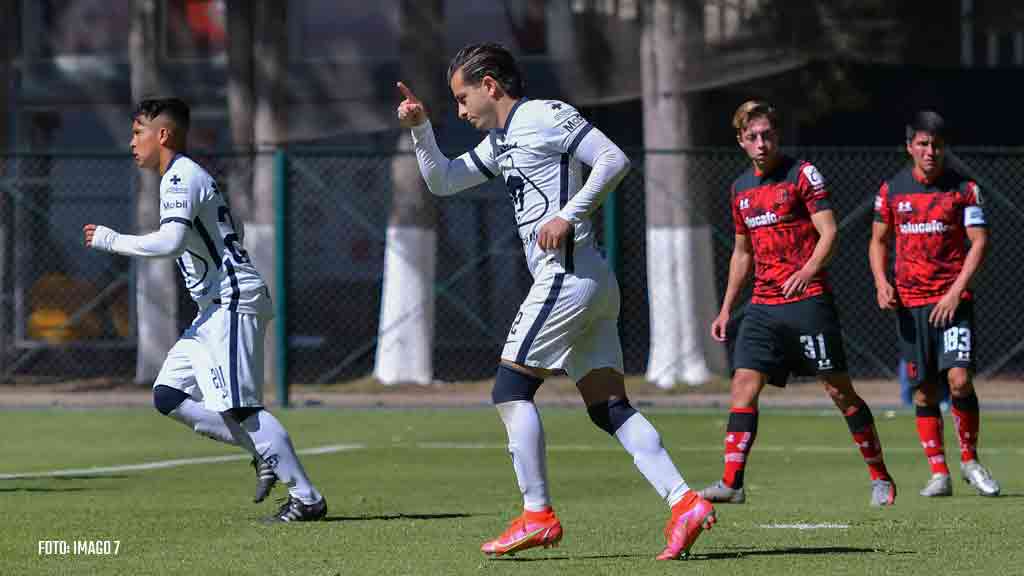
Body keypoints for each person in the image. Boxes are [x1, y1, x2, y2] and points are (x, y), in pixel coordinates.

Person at [396, 43, 715, 560]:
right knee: (608, 407)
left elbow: (613, 159)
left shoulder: (544, 115)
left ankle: (537, 514)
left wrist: (571, 212)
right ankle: (685, 504)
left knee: (509, 390)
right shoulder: (501, 141)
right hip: (585, 279)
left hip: (566, 274)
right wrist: (420, 128)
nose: (460, 109)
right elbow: (443, 180)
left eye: (462, 97)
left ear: (491, 85)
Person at [84, 98, 328, 521]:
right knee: (168, 395)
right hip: (212, 310)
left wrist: (111, 240)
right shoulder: (182, 176)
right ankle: (263, 453)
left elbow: (171, 242)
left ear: (162, 134)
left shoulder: (180, 175)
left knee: (242, 408)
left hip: (231, 303)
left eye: (137, 131)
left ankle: (307, 498)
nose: (131, 142)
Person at [702, 100, 897, 507]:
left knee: (838, 390)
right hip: (762, 306)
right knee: (743, 385)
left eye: (767, 135)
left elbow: (829, 232)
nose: (761, 143)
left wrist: (809, 270)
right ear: (740, 141)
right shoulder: (740, 190)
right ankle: (732, 483)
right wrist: (725, 309)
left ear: (777, 136)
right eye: (752, 136)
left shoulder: (802, 174)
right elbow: (742, 253)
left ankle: (879, 475)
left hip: (808, 300)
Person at [869, 110, 1000, 498]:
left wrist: (956, 290)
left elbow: (979, 241)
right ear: (910, 147)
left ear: (945, 148)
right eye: (923, 144)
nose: (930, 151)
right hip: (911, 306)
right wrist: (881, 282)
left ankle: (970, 461)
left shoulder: (964, 189)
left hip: (952, 301)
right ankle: (938, 472)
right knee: (924, 391)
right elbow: (877, 240)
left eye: (937, 145)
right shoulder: (892, 189)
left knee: (959, 380)